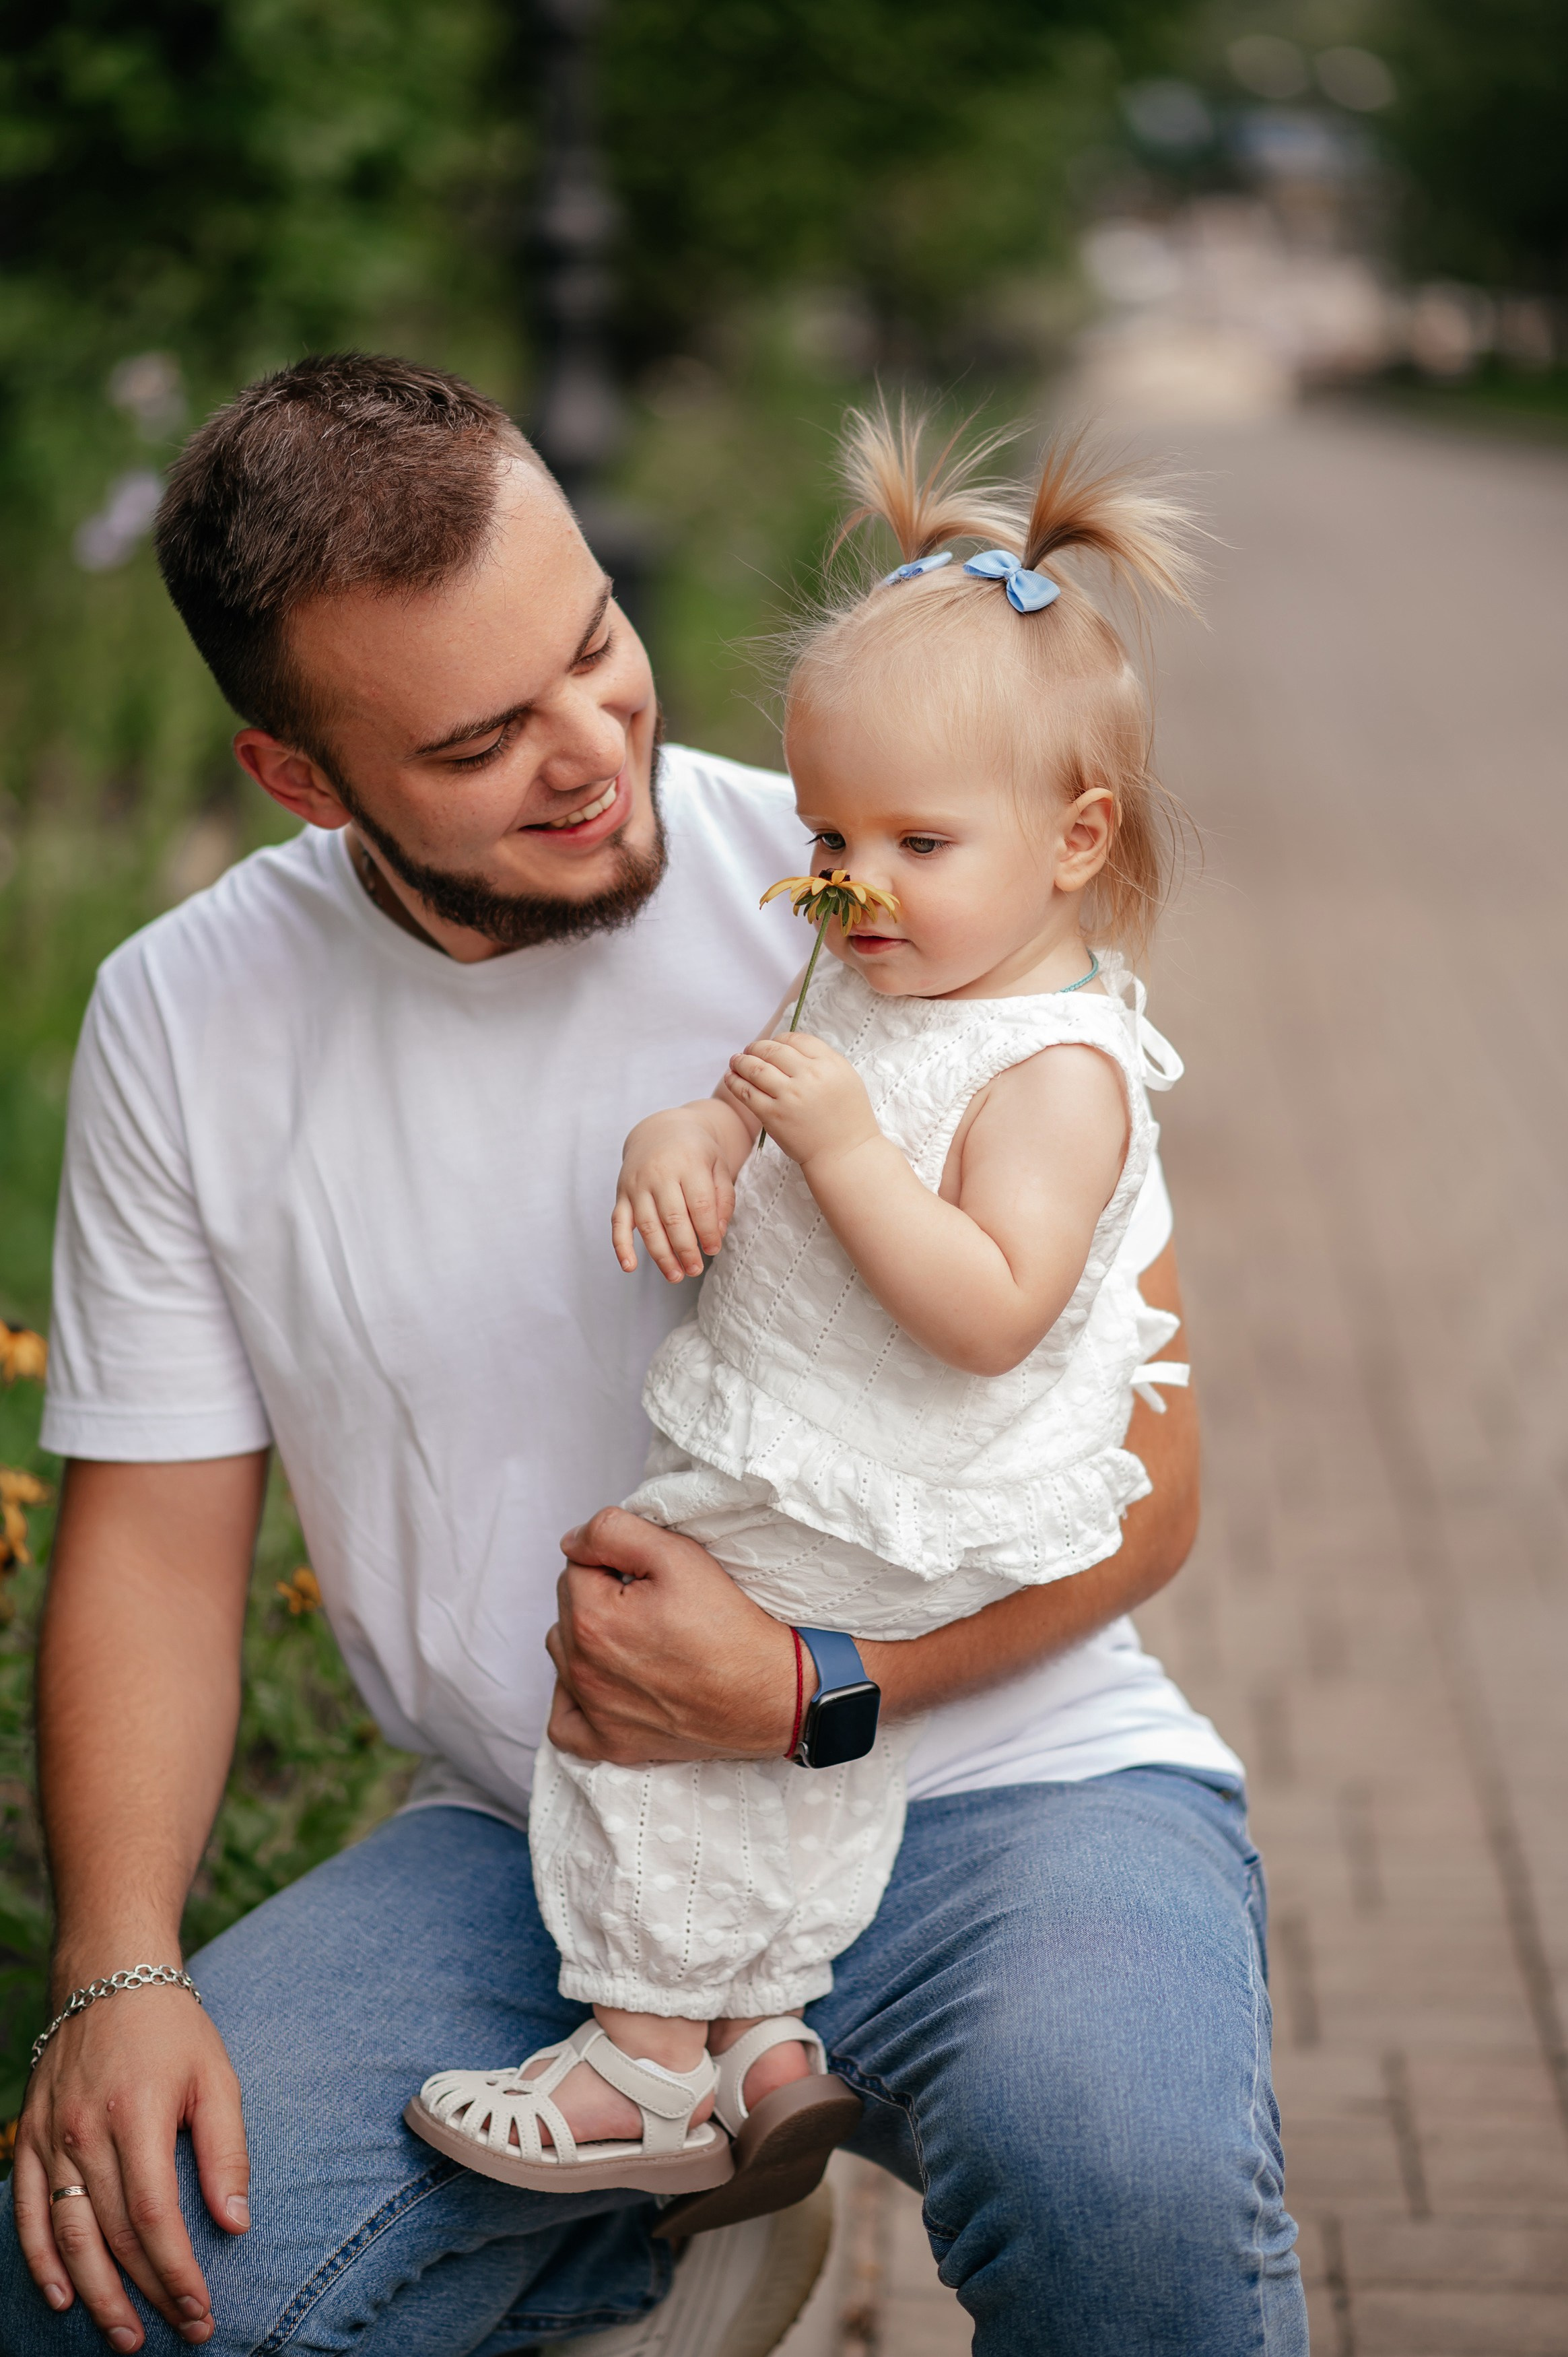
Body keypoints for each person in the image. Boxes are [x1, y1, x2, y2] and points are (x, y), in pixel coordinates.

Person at [1, 354, 1305, 2357]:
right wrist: (116, 1967)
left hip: (1002, 1780)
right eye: (480, 736)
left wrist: (812, 1691)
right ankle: (666, 2204)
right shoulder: (187, 1018)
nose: (594, 749)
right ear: (302, 775)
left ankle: (692, 2172)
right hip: (551, 1843)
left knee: (1115, 2184)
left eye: (596, 644)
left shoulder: (876, 875)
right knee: (111, 2265)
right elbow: (159, 1544)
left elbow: (1152, 1486)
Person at [405, 406, 1208, 2240]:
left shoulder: (1058, 1064)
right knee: (744, 1699)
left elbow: (991, 1310)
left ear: (1076, 838)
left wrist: (841, 1149)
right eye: (825, 832)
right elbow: (761, 1092)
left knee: (637, 1649)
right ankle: (768, 2043)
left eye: (915, 840)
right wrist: (695, 1127)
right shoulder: (880, 962)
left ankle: (634, 2052)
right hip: (830, 1455)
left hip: (916, 1485)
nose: (849, 881)